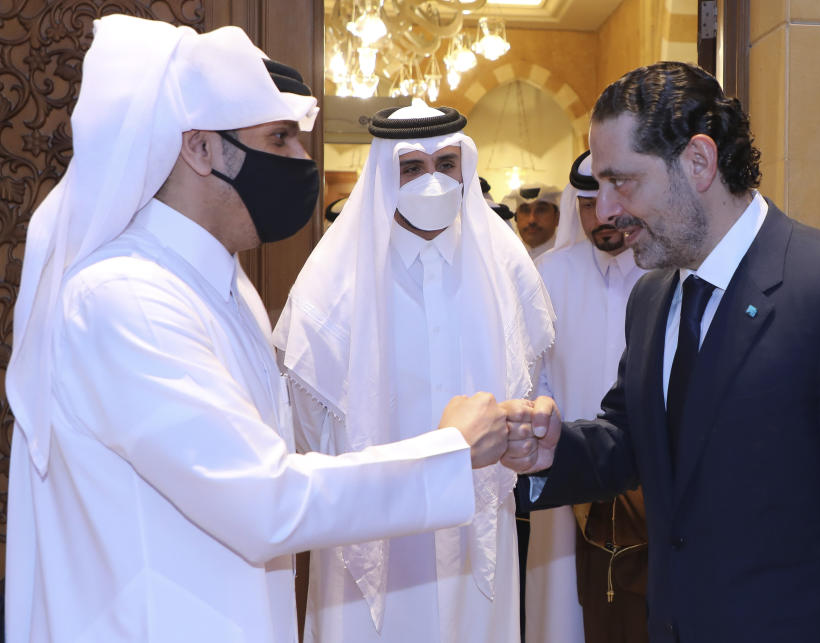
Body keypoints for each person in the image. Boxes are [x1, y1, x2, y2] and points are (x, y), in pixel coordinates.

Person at [4, 16, 513, 643]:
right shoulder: (125, 299)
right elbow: (266, 500)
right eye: (280, 138)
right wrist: (448, 451)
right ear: (201, 148)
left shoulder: (222, 285)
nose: (302, 161)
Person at [512, 61, 820, 643]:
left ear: (698, 162)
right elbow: (633, 438)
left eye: (624, 182)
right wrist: (546, 450)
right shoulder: (653, 296)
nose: (607, 210)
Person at [273, 101, 555, 643]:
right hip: (373, 529)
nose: (433, 180)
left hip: (475, 533)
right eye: (412, 168)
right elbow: (309, 434)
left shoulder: (507, 270)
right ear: (385, 174)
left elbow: (528, 390)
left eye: (446, 164)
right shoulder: (334, 284)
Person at [525, 150, 649, 643]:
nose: (601, 217)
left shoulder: (668, 271)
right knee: (562, 613)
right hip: (567, 475)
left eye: (610, 200)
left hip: (648, 479)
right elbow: (531, 376)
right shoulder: (546, 277)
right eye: (586, 203)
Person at [507, 183, 562, 259]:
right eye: (525, 210)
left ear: (557, 217)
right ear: (516, 218)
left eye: (541, 210)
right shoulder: (506, 259)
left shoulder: (570, 260)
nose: (532, 220)